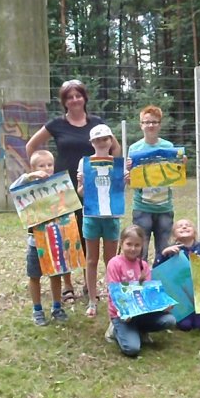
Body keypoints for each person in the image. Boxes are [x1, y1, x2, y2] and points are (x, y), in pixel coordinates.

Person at [26, 79, 121, 303]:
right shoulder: (57, 124)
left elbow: (115, 148)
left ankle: (90, 285)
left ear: (84, 98)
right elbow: (31, 146)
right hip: (62, 189)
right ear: (64, 101)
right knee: (66, 236)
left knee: (90, 236)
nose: (75, 100)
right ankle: (67, 285)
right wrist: (37, 172)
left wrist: (113, 172)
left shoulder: (96, 123)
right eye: (69, 97)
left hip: (91, 189)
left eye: (78, 95)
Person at [9, 149, 69, 326]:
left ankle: (57, 307)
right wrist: (29, 176)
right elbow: (13, 189)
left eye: (50, 164)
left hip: (55, 239)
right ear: (33, 168)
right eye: (41, 165)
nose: (47, 168)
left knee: (55, 275)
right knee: (34, 276)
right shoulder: (28, 186)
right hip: (35, 242)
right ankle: (37, 310)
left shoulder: (58, 184)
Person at [104, 225, 176, 357]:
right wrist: (124, 313)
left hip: (140, 312)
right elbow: (114, 294)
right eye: (129, 244)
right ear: (121, 243)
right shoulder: (114, 263)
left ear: (142, 245)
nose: (133, 248)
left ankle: (140, 330)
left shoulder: (143, 265)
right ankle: (115, 330)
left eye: (137, 245)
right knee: (132, 349)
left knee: (170, 320)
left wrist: (162, 305)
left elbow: (148, 296)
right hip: (123, 315)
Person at [76, 124, 122, 318]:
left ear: (111, 140)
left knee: (111, 261)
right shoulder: (84, 163)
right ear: (92, 142)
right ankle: (92, 300)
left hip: (111, 218)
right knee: (91, 260)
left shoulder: (117, 163)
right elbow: (81, 192)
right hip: (92, 217)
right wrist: (82, 182)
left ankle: (113, 299)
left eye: (105, 139)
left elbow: (119, 191)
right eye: (97, 140)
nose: (101, 142)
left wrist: (125, 180)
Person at [128, 105, 182, 263]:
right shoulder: (134, 149)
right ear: (141, 125)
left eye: (154, 122)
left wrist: (181, 164)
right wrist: (128, 170)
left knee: (165, 252)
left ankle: (162, 279)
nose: (150, 125)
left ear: (160, 124)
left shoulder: (169, 147)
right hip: (142, 207)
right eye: (147, 122)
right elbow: (131, 181)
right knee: (140, 251)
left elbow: (175, 174)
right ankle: (141, 279)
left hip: (164, 207)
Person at [153, 218, 200, 331]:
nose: (184, 227)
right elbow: (157, 269)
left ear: (194, 232)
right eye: (180, 226)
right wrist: (164, 253)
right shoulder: (172, 250)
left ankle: (197, 313)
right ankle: (180, 315)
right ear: (174, 235)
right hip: (181, 296)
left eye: (188, 225)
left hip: (199, 296)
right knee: (185, 326)